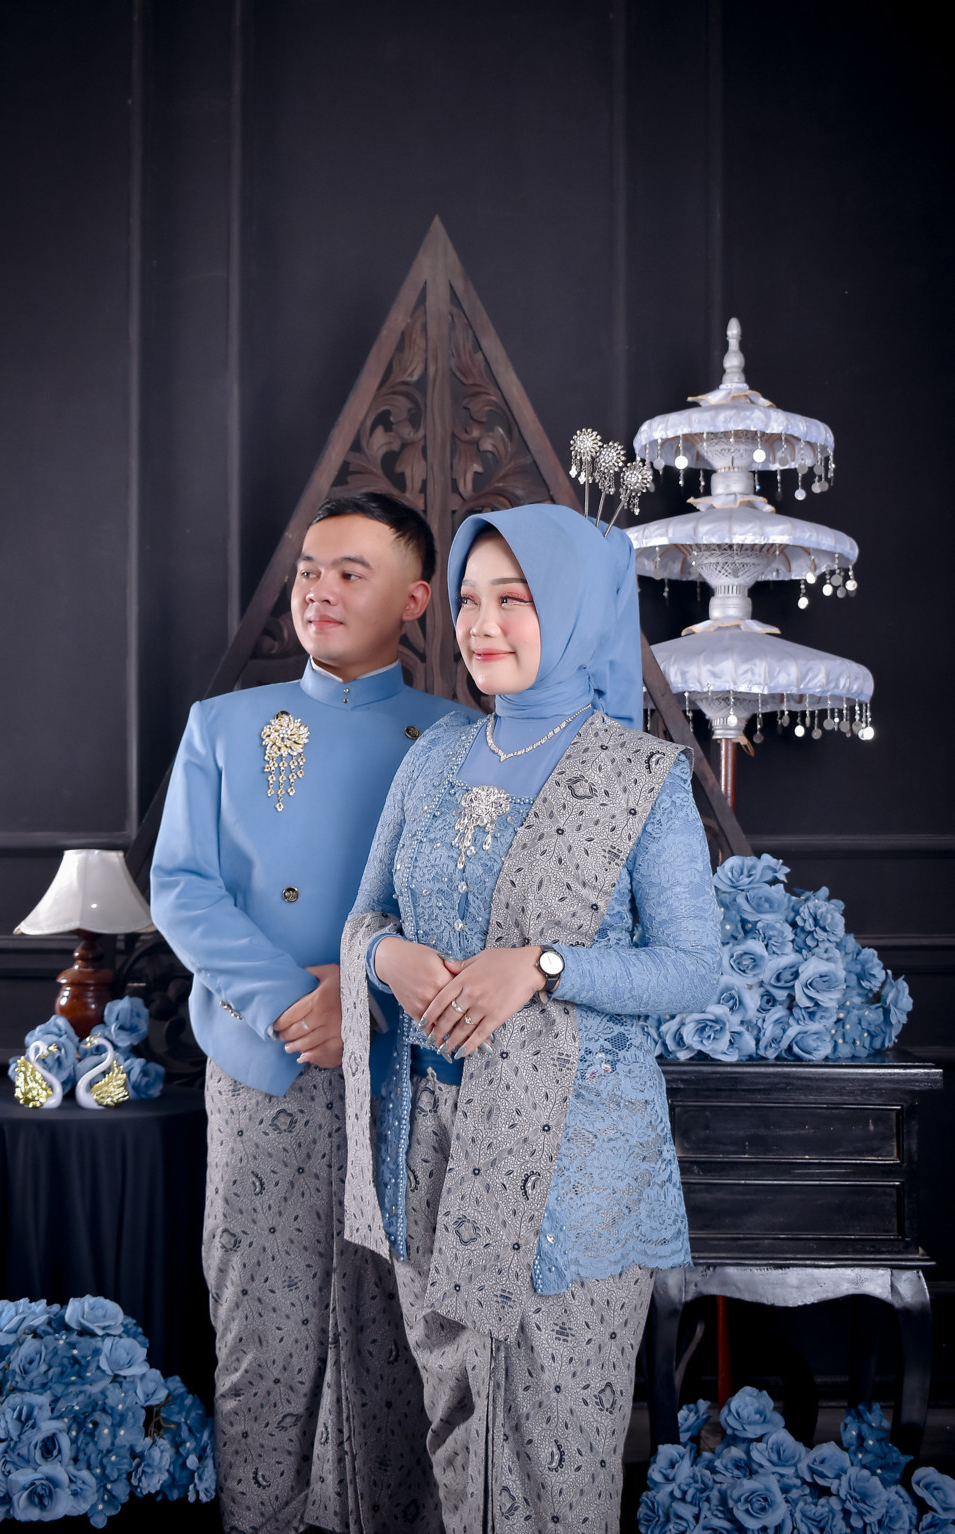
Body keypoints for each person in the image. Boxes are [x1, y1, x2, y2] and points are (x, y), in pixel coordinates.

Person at [339, 503, 721, 1533]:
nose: (481, 624)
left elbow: (694, 969)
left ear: (577, 608)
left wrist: (544, 968)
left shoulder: (640, 778)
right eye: (468, 600)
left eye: (514, 599)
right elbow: (363, 917)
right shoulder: (432, 757)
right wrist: (385, 955)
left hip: (571, 1170)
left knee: (554, 1452)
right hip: (431, 1148)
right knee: (451, 1426)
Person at [151, 491, 472, 1534]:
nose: (319, 591)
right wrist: (298, 1002)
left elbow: (471, 910)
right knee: (262, 1328)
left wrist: (360, 998)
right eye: (308, 571)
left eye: (350, 573)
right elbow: (183, 889)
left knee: (399, 1334)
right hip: (267, 1060)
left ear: (415, 600)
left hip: (408, 1070)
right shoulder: (223, 725)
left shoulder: (460, 740)